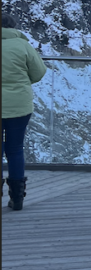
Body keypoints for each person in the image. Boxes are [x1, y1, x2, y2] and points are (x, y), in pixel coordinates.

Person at [2, 12, 47, 211]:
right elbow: (39, 72)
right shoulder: (23, 45)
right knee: (15, 149)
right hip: (19, 105)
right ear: (13, 26)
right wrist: (22, 82)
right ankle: (17, 198)